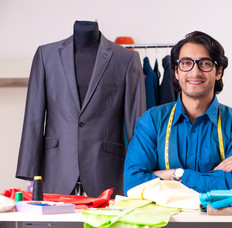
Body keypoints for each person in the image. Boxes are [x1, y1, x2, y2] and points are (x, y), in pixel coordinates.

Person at [16, 21, 146, 197]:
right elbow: (33, 116)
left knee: (105, 224)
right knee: (57, 224)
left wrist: (140, 173)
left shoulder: (126, 58)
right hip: (57, 166)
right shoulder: (46, 55)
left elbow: (136, 122)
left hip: (106, 167)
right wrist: (28, 167)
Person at [123, 31, 232, 194]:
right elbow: (133, 184)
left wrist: (175, 175)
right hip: (166, 220)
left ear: (219, 72)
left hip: (217, 220)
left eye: (205, 63)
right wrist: (214, 177)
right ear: (176, 71)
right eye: (186, 63)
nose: (195, 72)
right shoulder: (152, 121)